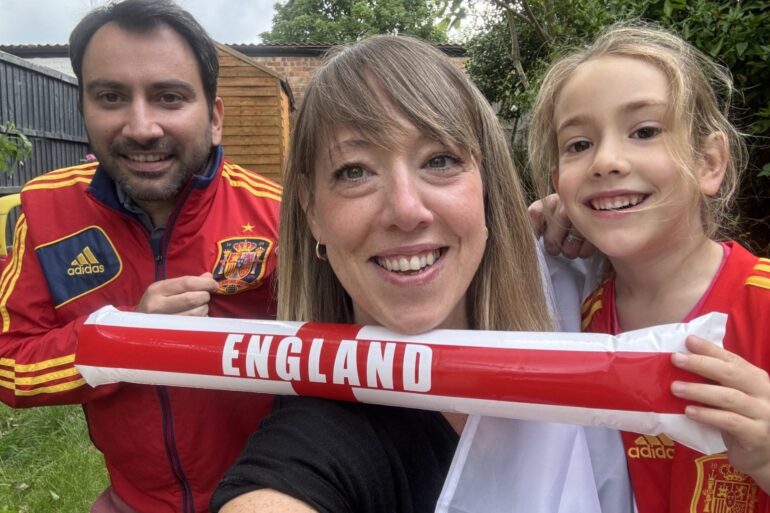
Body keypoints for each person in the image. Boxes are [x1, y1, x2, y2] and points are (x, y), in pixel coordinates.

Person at [211, 34, 627, 513]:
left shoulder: (583, 297)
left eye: (440, 160)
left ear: (487, 185)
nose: (406, 211)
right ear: (311, 210)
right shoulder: (315, 443)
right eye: (354, 172)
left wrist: (610, 236)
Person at [0, 0, 280, 511]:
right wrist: (126, 338)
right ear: (83, 108)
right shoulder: (44, 210)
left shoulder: (277, 217)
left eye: (169, 97)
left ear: (215, 118)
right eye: (110, 97)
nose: (142, 127)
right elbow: (10, 365)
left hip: (265, 498)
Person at [528, 23, 770, 513]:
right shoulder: (573, 318)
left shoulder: (762, 303)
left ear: (708, 162)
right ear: (558, 184)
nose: (606, 161)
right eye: (578, 144)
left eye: (644, 131)